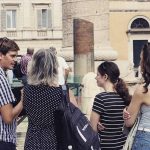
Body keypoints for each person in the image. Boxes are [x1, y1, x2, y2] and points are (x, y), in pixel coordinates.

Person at [23, 48, 77, 150]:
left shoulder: (26, 91)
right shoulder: (63, 92)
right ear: (54, 68)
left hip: (32, 141)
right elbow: (76, 118)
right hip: (55, 141)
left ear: (34, 67)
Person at [90, 61, 131, 150]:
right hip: (123, 145)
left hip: (106, 146)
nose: (95, 77)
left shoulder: (101, 98)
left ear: (105, 77)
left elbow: (92, 129)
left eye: (97, 75)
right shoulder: (124, 96)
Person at [123, 43, 150, 150]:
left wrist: (125, 112)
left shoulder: (143, 90)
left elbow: (129, 122)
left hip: (146, 137)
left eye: (141, 59)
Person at [0, 37, 23, 150]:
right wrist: (24, 100)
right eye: (12, 56)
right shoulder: (1, 79)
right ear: (1, 55)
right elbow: (8, 117)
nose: (15, 60)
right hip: (4, 140)